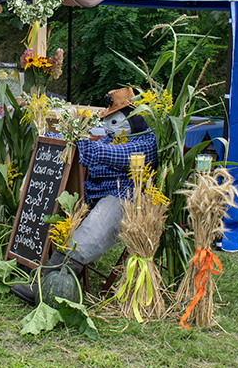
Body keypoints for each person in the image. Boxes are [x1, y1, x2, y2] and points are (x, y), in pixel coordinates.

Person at [11, 87, 158, 305]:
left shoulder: (144, 143)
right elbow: (95, 146)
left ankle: (52, 279)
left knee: (97, 222)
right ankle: (29, 258)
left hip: (125, 197)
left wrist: (78, 140)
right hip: (92, 194)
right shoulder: (111, 138)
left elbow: (107, 154)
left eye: (114, 120)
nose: (108, 126)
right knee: (50, 201)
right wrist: (52, 139)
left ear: (133, 119)